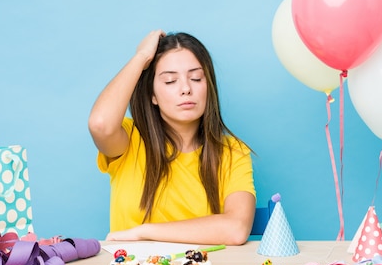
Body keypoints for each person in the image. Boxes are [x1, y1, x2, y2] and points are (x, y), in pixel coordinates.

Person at [88, 29, 256, 246]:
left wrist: (145, 232)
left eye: (196, 78)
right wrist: (141, 58)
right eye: (170, 81)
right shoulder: (130, 141)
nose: (186, 89)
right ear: (153, 95)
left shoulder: (233, 152)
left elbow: (236, 229)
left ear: (209, 86)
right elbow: (100, 124)